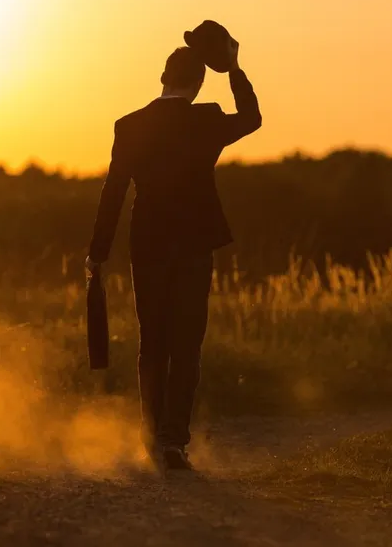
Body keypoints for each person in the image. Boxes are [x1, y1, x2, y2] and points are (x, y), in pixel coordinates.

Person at [85, 38, 261, 471]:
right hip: (195, 245)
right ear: (200, 83)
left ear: (163, 77)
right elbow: (253, 119)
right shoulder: (208, 119)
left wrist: (97, 252)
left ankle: (151, 437)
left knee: (153, 344)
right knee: (186, 346)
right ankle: (173, 442)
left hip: (147, 244)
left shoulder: (129, 125)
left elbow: (113, 192)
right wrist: (235, 68)